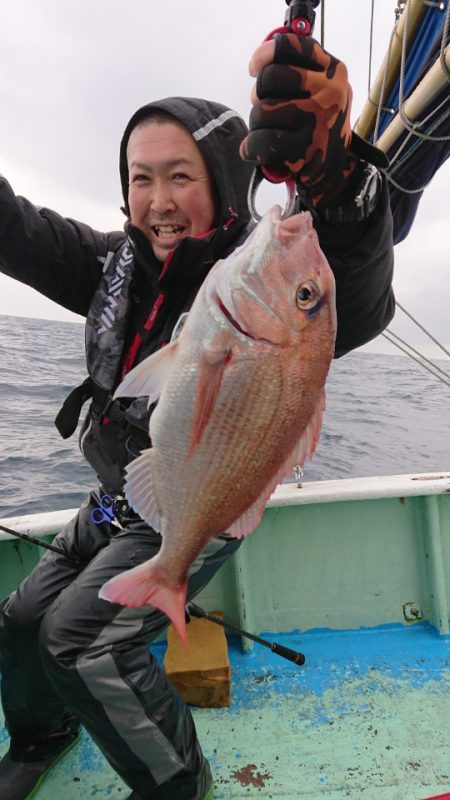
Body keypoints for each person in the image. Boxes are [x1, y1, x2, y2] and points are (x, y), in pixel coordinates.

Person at [0, 33, 395, 800]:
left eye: (180, 176)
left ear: (223, 183)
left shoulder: (258, 275)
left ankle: (182, 787)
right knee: (21, 620)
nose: (158, 199)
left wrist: (339, 177)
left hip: (201, 502)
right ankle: (43, 734)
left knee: (82, 642)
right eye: (141, 179)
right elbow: (16, 228)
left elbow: (356, 278)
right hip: (125, 495)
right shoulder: (111, 266)